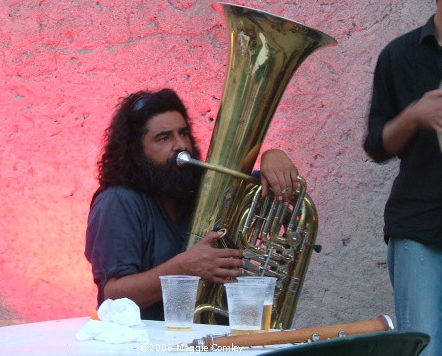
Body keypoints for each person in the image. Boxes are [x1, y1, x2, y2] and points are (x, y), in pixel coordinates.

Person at [85, 88, 300, 320]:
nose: (180, 145)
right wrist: (183, 269)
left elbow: (261, 188)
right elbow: (113, 296)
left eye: (184, 133)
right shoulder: (118, 201)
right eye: (164, 138)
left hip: (217, 341)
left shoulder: (196, 188)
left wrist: (273, 157)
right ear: (136, 151)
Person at [363, 0, 441, 355]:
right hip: (420, 227)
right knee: (425, 348)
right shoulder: (400, 54)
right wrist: (414, 115)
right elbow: (376, 146)